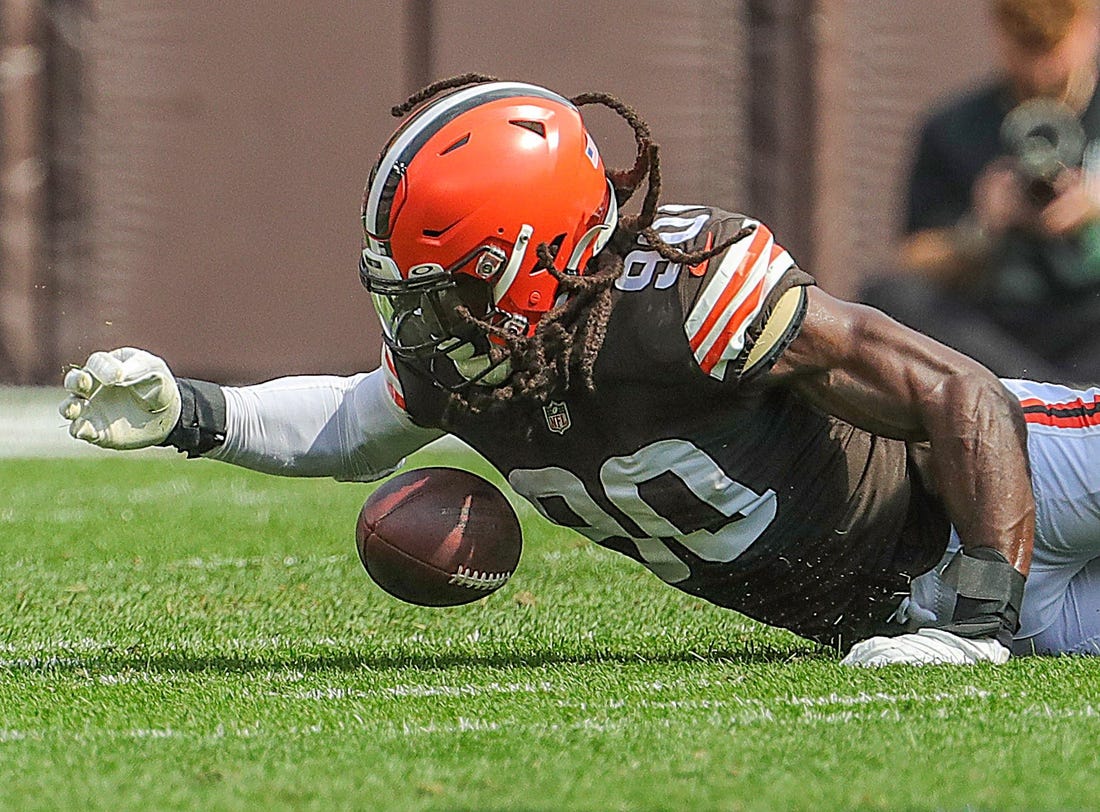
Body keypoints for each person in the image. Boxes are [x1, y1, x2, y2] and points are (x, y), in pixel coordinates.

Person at [59, 75, 1100, 666]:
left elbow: (953, 393)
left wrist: (977, 621)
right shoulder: (486, 359)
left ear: (539, 251)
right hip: (905, 605)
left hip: (1011, 492)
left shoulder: (685, 292)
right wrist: (190, 410)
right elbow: (349, 423)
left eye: (453, 281)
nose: (424, 313)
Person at [864, 0, 1100, 384]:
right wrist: (982, 227)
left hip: (1088, 321)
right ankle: (1056, 405)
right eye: (1027, 46)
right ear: (1000, 32)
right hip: (993, 327)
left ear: (1089, 28)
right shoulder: (953, 126)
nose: (1042, 70)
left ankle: (1034, 405)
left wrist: (1093, 206)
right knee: (889, 300)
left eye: (1052, 47)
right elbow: (912, 260)